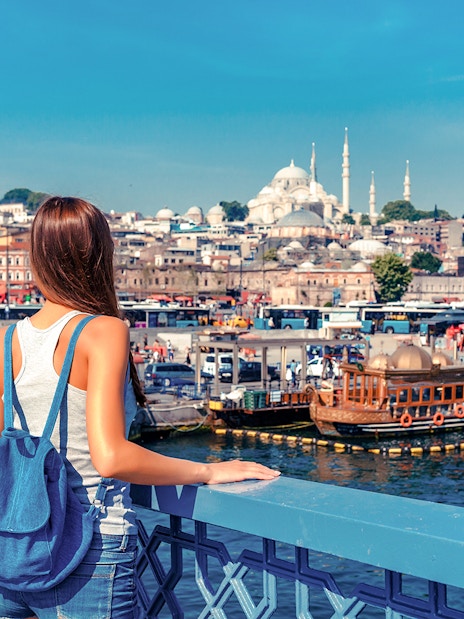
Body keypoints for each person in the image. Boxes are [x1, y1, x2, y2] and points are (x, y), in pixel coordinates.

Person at [0, 197, 280, 619]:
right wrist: (208, 471)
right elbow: (110, 457)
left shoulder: (8, 340)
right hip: (88, 548)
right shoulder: (102, 331)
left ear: (36, 257)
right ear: (99, 256)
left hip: (15, 547)